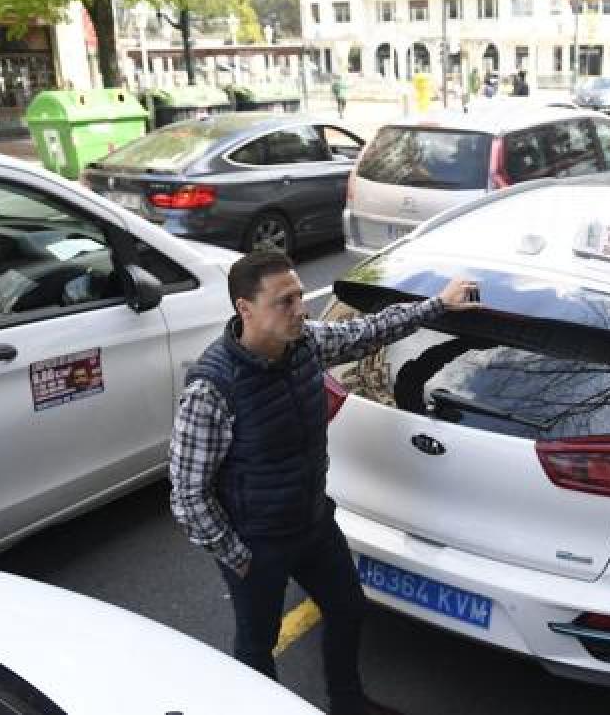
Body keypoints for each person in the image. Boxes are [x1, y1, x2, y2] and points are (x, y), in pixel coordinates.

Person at [169, 250, 479, 715]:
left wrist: (439, 304)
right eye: (284, 301)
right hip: (257, 545)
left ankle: (347, 703)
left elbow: (369, 331)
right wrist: (239, 556)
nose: (301, 309)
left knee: (348, 609)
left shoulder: (304, 344)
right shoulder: (212, 388)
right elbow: (188, 494)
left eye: (299, 296)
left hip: (313, 524)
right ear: (244, 308)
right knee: (257, 647)